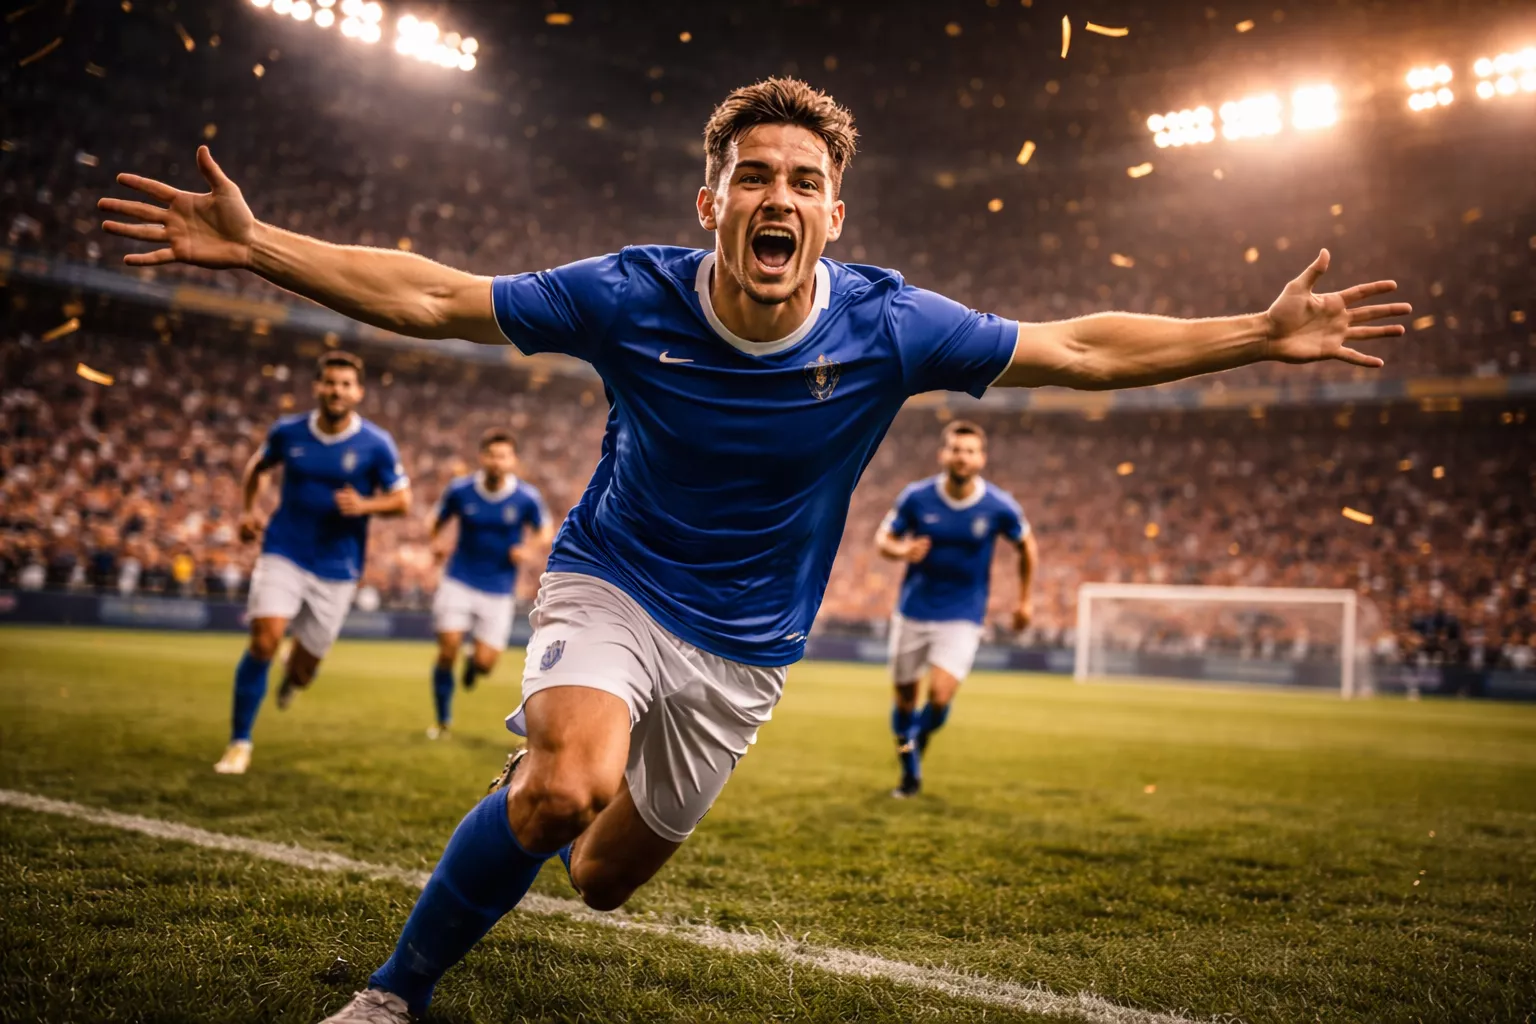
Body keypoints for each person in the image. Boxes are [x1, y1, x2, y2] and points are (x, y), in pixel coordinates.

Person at [99, 76, 1409, 1023]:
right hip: (614, 577)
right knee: (561, 793)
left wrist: (1256, 331)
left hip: (746, 648)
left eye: (805, 182)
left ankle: (559, 768)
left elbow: (1078, 349)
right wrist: (258, 245)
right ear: (712, 201)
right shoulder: (630, 295)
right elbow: (436, 296)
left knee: (603, 879)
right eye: (756, 177)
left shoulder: (891, 328)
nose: (778, 198)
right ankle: (397, 991)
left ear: (834, 215)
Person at [211, 351, 410, 775]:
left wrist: (365, 504)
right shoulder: (288, 432)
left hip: (338, 566)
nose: (336, 391)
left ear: (358, 392)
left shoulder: (376, 444)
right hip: (285, 548)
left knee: (304, 671)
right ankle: (239, 743)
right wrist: (248, 512)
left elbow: (402, 500)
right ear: (317, 387)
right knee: (263, 640)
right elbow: (257, 468)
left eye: (345, 384)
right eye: (329, 382)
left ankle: (292, 676)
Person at [876, 420, 1036, 797]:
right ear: (942, 455)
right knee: (904, 699)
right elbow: (884, 539)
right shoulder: (916, 497)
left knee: (941, 696)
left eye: (969, 451)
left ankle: (911, 745)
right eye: (955, 450)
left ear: (982, 458)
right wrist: (902, 551)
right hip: (913, 609)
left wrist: (1025, 600)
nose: (962, 457)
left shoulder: (999, 506)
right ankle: (910, 772)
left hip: (963, 614)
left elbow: (1027, 546)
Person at [426, 428, 551, 738]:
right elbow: (436, 521)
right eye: (492, 455)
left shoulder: (526, 497)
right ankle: (443, 721)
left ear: (513, 461)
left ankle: (473, 664)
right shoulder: (460, 490)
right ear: (482, 458)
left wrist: (529, 549)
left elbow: (545, 530)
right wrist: (437, 542)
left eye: (503, 456)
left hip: (498, 588)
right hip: (459, 578)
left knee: (485, 664)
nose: (497, 462)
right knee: (448, 648)